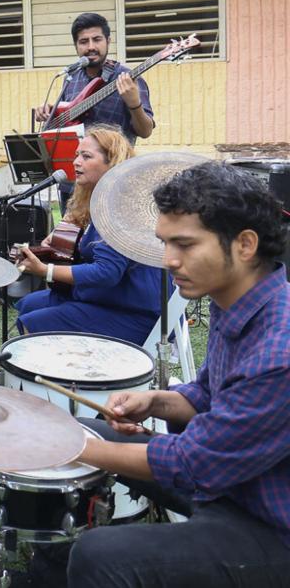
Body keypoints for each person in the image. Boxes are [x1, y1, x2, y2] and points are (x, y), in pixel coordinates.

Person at [67, 163, 290, 587]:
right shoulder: (235, 299)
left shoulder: (280, 352)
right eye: (165, 243)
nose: (168, 260)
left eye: (184, 245)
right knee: (88, 430)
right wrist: (155, 401)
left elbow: (194, 464)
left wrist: (68, 448)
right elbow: (206, 397)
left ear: (244, 244)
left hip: (270, 527)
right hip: (233, 481)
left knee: (100, 556)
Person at [14, 125, 165, 346]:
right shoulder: (99, 199)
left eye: (86, 156)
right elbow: (91, 250)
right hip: (108, 298)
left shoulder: (119, 207)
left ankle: (59, 376)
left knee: (35, 321)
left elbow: (107, 272)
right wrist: (57, 245)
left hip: (135, 313)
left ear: (111, 163)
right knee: (29, 304)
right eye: (77, 155)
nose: (76, 162)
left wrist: (47, 270)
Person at [35, 13, 155, 213]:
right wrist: (49, 113)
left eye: (97, 39)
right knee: (70, 239)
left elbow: (145, 131)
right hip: (74, 181)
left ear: (108, 41)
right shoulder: (70, 79)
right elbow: (66, 118)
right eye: (84, 41)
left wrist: (134, 104)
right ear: (76, 46)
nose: (91, 46)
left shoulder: (129, 80)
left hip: (113, 181)